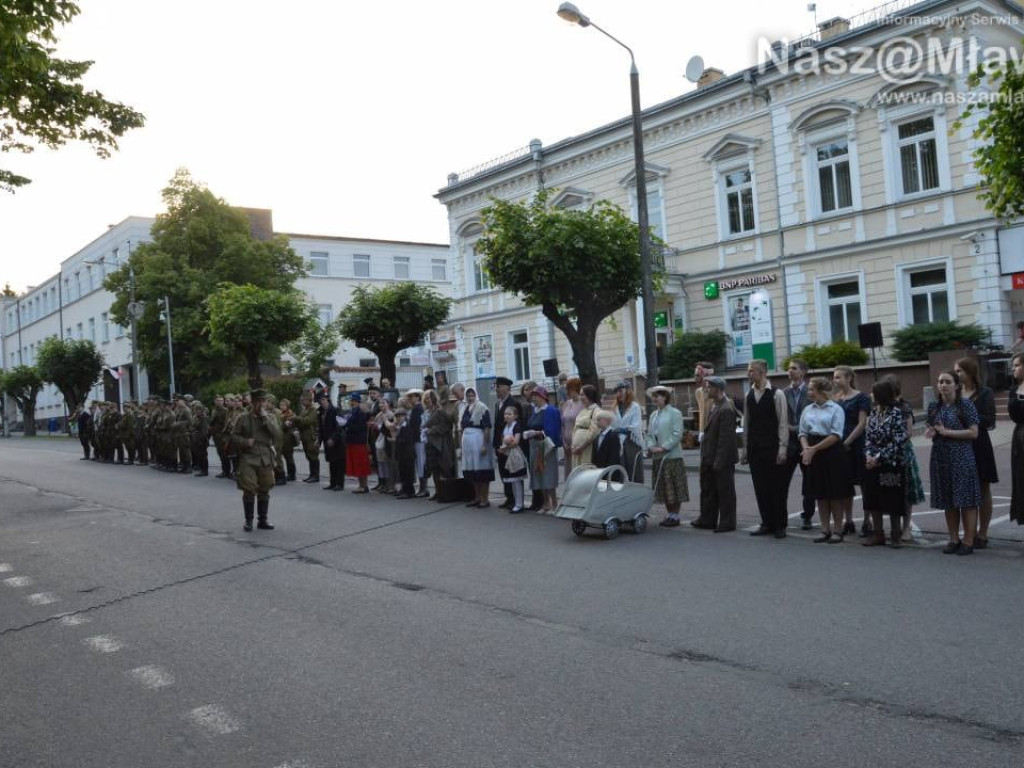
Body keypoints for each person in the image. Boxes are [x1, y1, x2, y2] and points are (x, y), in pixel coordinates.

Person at [926, 371, 981, 556]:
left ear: (956, 385)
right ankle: (954, 539)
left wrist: (947, 432)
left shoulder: (965, 405)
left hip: (962, 458)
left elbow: (974, 433)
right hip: (940, 458)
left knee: (967, 500)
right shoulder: (934, 406)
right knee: (948, 500)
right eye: (940, 381)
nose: (943, 385)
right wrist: (932, 432)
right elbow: (933, 427)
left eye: (947, 382)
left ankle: (968, 541)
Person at [954, 357, 999, 549]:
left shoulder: (984, 393)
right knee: (964, 488)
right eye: (955, 371)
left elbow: (989, 420)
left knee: (983, 487)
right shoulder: (956, 392)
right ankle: (968, 533)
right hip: (959, 443)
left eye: (959, 371)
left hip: (979, 444)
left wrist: (967, 417)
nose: (956, 374)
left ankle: (983, 533)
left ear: (970, 372)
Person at [742, 359, 789, 538]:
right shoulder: (748, 394)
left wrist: (782, 449)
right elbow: (746, 424)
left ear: (761, 372)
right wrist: (745, 450)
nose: (748, 374)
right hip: (755, 448)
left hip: (772, 447)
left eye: (751, 371)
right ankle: (766, 522)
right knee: (760, 488)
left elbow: (783, 422)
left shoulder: (777, 394)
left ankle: (780, 525)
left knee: (777, 488)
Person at [798, 377, 849, 544]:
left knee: (834, 493)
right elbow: (802, 432)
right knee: (819, 493)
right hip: (813, 450)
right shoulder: (807, 409)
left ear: (821, 391)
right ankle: (824, 529)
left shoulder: (836, 409)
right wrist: (807, 448)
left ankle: (838, 530)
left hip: (831, 451)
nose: (808, 392)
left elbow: (836, 434)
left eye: (811, 389)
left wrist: (814, 449)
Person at [862, 380, 908, 547]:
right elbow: (868, 437)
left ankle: (895, 535)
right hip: (873, 463)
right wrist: (869, 455)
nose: (871, 395)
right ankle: (878, 534)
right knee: (873, 497)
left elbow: (898, 440)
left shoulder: (896, 413)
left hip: (891, 463)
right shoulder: (873, 413)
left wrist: (879, 457)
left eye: (873, 392)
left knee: (892, 498)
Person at [230, 389, 283, 531]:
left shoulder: (270, 417)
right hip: (248, 457)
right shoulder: (243, 418)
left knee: (265, 488)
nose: (261, 404)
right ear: (252, 402)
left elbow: (277, 434)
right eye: (259, 401)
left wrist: (265, 418)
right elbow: (234, 436)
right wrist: (245, 442)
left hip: (265, 457)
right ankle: (248, 521)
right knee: (249, 488)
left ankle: (262, 520)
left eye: (264, 401)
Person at [693, 376, 738, 533]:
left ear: (718, 389)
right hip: (709, 455)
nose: (706, 390)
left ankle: (727, 522)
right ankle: (707, 519)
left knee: (725, 491)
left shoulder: (726, 408)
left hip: (721, 458)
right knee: (708, 489)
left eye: (709, 387)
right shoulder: (715, 405)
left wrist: (719, 460)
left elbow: (725, 439)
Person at [884, 375, 925, 543]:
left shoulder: (904, 406)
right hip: (886, 454)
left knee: (906, 491)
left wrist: (888, 438)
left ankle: (906, 527)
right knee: (890, 490)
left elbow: (908, 433)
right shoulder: (881, 407)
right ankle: (894, 527)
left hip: (902, 452)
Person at [833, 366, 870, 537]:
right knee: (845, 484)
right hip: (840, 446)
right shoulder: (836, 399)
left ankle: (867, 520)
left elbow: (862, 423)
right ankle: (848, 521)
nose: (835, 380)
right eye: (834, 377)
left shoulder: (861, 397)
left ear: (849, 378)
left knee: (864, 484)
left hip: (857, 445)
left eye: (838, 377)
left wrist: (848, 441)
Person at [645, 385, 688, 527]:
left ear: (665, 397)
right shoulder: (653, 415)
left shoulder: (675, 413)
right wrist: (651, 446)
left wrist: (663, 447)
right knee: (664, 487)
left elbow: (677, 434)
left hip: (672, 456)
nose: (654, 399)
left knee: (674, 487)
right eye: (653, 396)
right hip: (658, 456)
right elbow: (649, 434)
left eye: (657, 396)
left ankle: (675, 515)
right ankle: (670, 514)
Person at [781, 359, 816, 530]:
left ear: (803, 372)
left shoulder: (811, 392)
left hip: (806, 443)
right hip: (788, 444)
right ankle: (780, 517)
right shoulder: (783, 393)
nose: (790, 371)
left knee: (809, 482)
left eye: (794, 368)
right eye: (789, 368)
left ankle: (807, 516)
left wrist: (794, 428)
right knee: (782, 482)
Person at [524, 386, 562, 513]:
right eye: (533, 395)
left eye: (535, 395)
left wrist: (536, 433)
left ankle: (554, 504)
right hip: (534, 446)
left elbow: (553, 431)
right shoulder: (535, 410)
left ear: (542, 397)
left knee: (548, 475)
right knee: (539, 475)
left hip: (546, 447)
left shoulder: (550, 411)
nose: (533, 398)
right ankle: (546, 503)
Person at [461, 386, 494, 507]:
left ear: (476, 395)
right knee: (472, 471)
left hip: (479, 440)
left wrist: (484, 445)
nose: (470, 398)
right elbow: (461, 427)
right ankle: (477, 497)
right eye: (468, 395)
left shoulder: (482, 408)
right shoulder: (464, 409)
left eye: (472, 395)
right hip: (468, 442)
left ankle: (485, 499)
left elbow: (487, 428)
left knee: (482, 470)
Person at [423, 389, 456, 500]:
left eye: (429, 398)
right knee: (435, 469)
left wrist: (431, 430)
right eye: (426, 398)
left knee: (444, 467)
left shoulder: (440, 411)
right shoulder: (428, 411)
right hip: (431, 443)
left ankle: (448, 492)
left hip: (441, 443)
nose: (427, 400)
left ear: (434, 398)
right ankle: (438, 491)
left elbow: (446, 426)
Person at [491, 377, 517, 509]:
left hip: (509, 443)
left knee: (510, 471)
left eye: (499, 386)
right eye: (496, 386)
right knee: (502, 471)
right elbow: (497, 426)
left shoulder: (513, 402)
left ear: (507, 388)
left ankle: (514, 498)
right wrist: (495, 443)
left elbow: (516, 424)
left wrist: (509, 442)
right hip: (499, 443)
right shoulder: (498, 404)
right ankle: (508, 497)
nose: (496, 389)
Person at [497, 405, 527, 513]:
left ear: (515, 416)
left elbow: (516, 442)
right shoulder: (505, 426)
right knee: (512, 481)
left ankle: (519, 504)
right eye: (505, 414)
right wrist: (502, 448)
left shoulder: (517, 426)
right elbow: (503, 440)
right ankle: (516, 503)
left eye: (509, 414)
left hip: (515, 455)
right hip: (507, 455)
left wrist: (504, 448)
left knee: (517, 480)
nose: (507, 416)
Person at [612, 381, 644, 482]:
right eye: (617, 392)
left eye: (620, 391)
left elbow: (636, 426)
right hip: (619, 442)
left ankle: (636, 490)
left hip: (632, 442)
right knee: (622, 471)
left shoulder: (635, 406)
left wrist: (621, 429)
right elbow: (613, 424)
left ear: (627, 391)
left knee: (633, 470)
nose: (618, 394)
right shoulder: (615, 407)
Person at [344, 393, 371, 493]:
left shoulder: (360, 412)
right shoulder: (353, 411)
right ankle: (362, 485)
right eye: (351, 401)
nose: (352, 402)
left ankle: (363, 486)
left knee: (361, 463)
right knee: (357, 463)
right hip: (353, 440)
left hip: (359, 441)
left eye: (354, 401)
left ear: (358, 402)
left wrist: (347, 426)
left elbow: (360, 426)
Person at [1008, 354, 1024, 527]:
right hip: (1020, 438)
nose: (1013, 368)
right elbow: (1014, 415)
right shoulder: (1014, 390)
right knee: (1021, 481)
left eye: (1017, 365)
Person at [318, 392, 345, 491]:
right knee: (331, 462)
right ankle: (332, 483)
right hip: (327, 440)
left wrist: (333, 438)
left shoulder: (335, 410)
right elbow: (321, 428)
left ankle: (339, 484)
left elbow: (340, 426)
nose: (322, 402)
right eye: (320, 400)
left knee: (339, 463)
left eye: (323, 400)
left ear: (328, 400)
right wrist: (319, 441)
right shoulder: (320, 412)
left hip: (337, 441)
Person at [559, 376, 584, 482]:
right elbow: (562, 423)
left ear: (575, 389)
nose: (566, 391)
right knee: (569, 473)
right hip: (567, 445)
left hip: (578, 445)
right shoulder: (567, 403)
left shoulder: (583, 404)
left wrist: (575, 443)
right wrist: (564, 442)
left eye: (568, 388)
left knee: (577, 473)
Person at [570, 384, 601, 467]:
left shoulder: (596, 410)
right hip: (576, 449)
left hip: (586, 449)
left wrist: (582, 447)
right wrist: (573, 445)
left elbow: (594, 431)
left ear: (589, 395)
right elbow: (575, 428)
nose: (580, 397)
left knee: (584, 469)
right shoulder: (582, 411)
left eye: (582, 395)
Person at [295, 392, 321, 483]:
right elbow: (301, 422)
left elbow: (308, 421)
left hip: (311, 437)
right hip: (304, 436)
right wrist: (298, 421)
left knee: (313, 455)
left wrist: (296, 418)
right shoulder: (305, 410)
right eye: (302, 400)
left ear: (309, 400)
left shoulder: (313, 410)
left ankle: (315, 475)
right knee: (309, 455)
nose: (302, 402)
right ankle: (311, 474)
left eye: (304, 400)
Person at [278, 398, 298, 482]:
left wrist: (279, 424)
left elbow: (285, 426)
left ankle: (292, 474)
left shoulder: (290, 415)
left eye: (284, 405)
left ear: (287, 406)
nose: (282, 406)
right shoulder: (280, 414)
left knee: (289, 457)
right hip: (281, 439)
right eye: (281, 405)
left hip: (288, 439)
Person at [693, 362, 715, 438]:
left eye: (698, 375)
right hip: (703, 432)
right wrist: (701, 431)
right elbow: (702, 413)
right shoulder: (698, 392)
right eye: (695, 375)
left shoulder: (716, 392)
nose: (695, 378)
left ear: (706, 376)